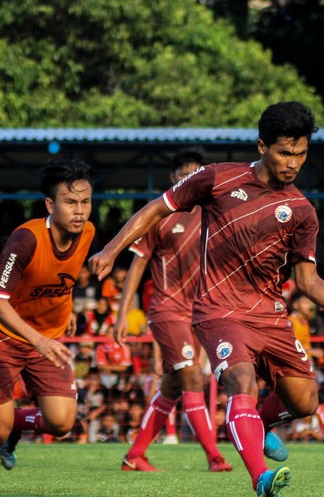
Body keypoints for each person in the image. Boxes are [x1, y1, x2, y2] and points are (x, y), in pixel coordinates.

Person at [88, 102, 324, 497]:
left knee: (304, 401)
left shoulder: (302, 211)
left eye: (300, 154)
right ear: (262, 146)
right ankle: (261, 478)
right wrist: (111, 250)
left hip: (270, 315)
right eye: (284, 152)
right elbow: (156, 208)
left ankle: (255, 426)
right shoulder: (217, 179)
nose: (292, 163)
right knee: (240, 380)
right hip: (218, 310)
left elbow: (308, 281)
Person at [0, 161, 96, 496]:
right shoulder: (25, 239)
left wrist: (64, 309)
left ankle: (14, 426)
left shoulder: (89, 232)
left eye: (85, 202)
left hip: (47, 337)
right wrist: (38, 339)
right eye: (70, 203)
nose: (79, 211)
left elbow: (60, 278)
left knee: (63, 422)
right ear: (50, 205)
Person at [111, 147, 231, 473]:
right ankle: (214, 457)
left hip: (198, 314)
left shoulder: (214, 215)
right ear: (173, 178)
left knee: (173, 386)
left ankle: (134, 456)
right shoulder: (159, 217)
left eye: (195, 174)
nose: (189, 180)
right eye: (183, 175)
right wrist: (122, 315)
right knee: (193, 376)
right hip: (167, 311)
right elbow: (137, 267)